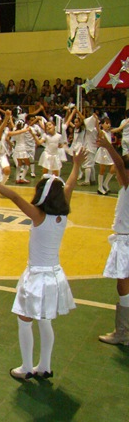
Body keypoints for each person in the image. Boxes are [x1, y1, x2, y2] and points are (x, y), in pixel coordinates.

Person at [0, 148, 84, 379]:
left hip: (37, 277)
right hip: (55, 276)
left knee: (24, 321)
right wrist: (75, 165)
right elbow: (70, 185)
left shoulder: (39, 216)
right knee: (45, 321)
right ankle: (45, 366)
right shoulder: (62, 214)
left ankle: (26, 368)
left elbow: (15, 197)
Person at [98, 132, 129, 345]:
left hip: (126, 241)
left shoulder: (128, 186)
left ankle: (123, 331)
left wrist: (108, 146)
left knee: (123, 285)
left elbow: (118, 164)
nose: (117, 174)